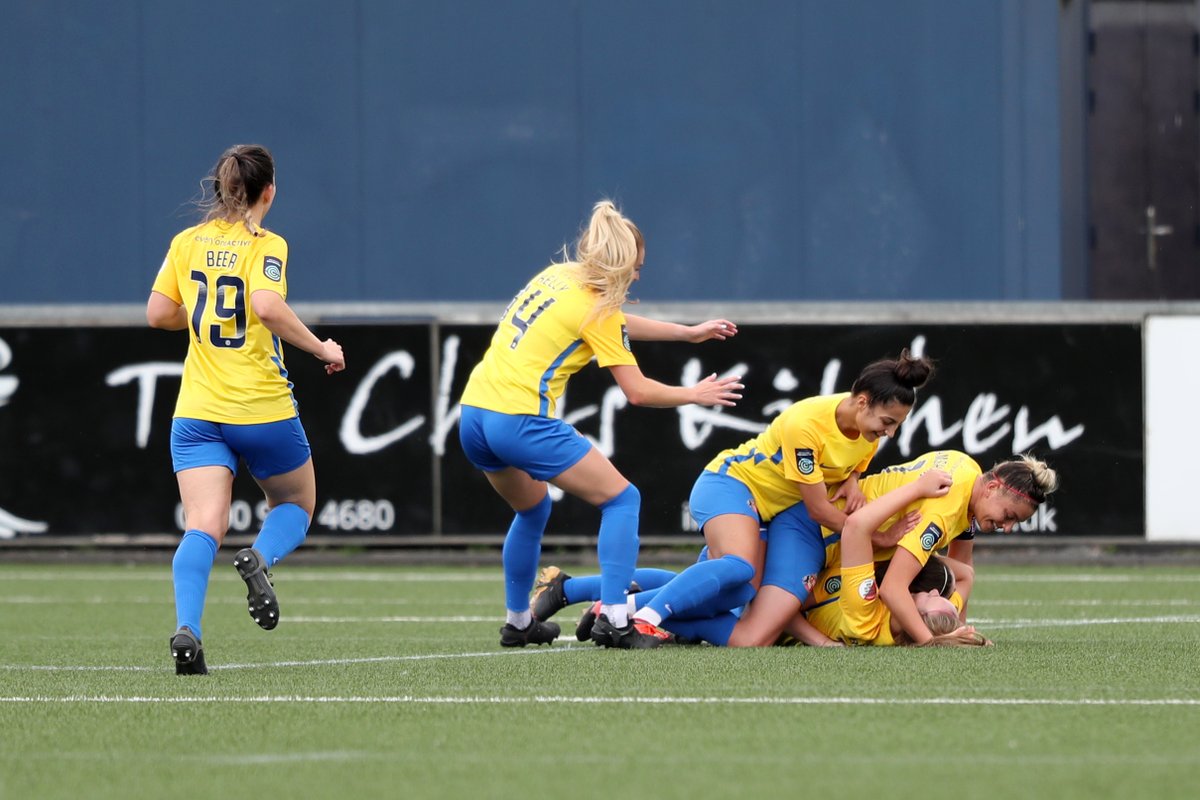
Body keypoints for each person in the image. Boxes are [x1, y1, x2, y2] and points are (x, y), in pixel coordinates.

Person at [458, 199, 744, 650]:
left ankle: (519, 622)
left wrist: (686, 332)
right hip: (519, 419)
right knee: (623, 499)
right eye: (636, 269)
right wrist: (695, 394)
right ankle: (615, 618)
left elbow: (616, 323)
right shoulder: (598, 310)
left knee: (532, 510)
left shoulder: (558, 276)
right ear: (620, 266)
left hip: (474, 415)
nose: (636, 278)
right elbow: (638, 391)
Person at [540, 350, 934, 646]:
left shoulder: (864, 431)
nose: (890, 434)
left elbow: (851, 464)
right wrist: (875, 537)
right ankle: (642, 618)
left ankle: (582, 595)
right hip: (731, 484)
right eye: (887, 423)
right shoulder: (807, 423)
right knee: (738, 569)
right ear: (862, 401)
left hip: (766, 509)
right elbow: (817, 509)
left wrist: (851, 480)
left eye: (897, 426)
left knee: (734, 590)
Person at [146, 144, 346, 675]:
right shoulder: (266, 243)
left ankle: (188, 628)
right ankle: (259, 556)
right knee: (297, 505)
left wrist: (205, 308)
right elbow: (265, 305)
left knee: (202, 526)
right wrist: (322, 348)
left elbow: (158, 312)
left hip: (196, 411)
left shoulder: (186, 241)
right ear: (269, 192)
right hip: (259, 406)